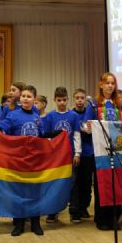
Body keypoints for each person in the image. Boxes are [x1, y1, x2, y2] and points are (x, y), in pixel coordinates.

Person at [0, 85, 46, 236]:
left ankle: (35, 223)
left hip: (34, 161)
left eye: (29, 96)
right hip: (17, 160)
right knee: (18, 192)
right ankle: (19, 224)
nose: (25, 99)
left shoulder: (37, 117)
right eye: (23, 96)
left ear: (34, 99)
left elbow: (42, 136)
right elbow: (0, 127)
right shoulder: (13, 115)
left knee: (34, 192)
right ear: (20, 98)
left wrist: (57, 134)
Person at [85, 72, 122, 231]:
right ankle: (102, 219)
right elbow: (85, 125)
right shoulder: (94, 104)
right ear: (101, 85)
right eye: (107, 83)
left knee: (116, 184)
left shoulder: (119, 104)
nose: (110, 86)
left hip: (117, 149)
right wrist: (87, 127)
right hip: (100, 151)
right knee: (102, 185)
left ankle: (114, 217)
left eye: (113, 83)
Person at [43, 87, 82, 224]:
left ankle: (74, 211)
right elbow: (47, 137)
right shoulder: (50, 116)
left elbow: (76, 135)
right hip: (55, 156)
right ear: (54, 100)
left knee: (72, 183)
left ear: (67, 99)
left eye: (64, 100)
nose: (62, 103)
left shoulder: (74, 116)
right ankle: (52, 212)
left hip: (69, 155)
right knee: (54, 183)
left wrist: (77, 153)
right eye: (59, 100)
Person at [70, 89, 95, 221]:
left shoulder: (90, 113)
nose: (80, 100)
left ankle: (84, 207)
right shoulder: (71, 114)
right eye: (77, 98)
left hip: (89, 152)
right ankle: (75, 209)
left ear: (85, 99)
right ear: (74, 99)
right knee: (75, 183)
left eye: (82, 98)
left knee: (86, 183)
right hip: (75, 154)